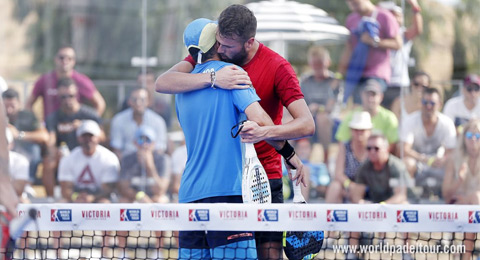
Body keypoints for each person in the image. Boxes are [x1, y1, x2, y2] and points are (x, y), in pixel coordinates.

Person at [156, 5, 314, 259]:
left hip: (194, 194)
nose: (223, 48)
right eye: (219, 42)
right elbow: (260, 121)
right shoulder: (231, 73)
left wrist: (271, 139)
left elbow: (306, 124)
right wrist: (291, 154)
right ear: (214, 42)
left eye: (228, 44)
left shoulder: (182, 87)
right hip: (229, 191)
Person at [44, 78, 104, 197]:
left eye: (70, 96)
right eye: (63, 97)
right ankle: (51, 199)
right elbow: (51, 138)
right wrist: (53, 151)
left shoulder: (89, 114)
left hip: (87, 151)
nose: (67, 100)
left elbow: (102, 136)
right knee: (48, 162)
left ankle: (99, 196)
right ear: (58, 98)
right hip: (66, 154)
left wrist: (84, 127)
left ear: (76, 95)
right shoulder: (53, 117)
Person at [339, 0, 402, 104]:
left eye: (356, 3)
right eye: (350, 3)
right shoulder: (351, 19)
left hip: (376, 73)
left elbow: (398, 44)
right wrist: (340, 74)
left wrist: (374, 41)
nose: (354, 7)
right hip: (357, 73)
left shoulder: (384, 16)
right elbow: (349, 48)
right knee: (357, 109)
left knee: (368, 104)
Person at [401, 87, 456, 197]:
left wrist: (443, 160)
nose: (428, 106)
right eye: (425, 102)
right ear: (421, 103)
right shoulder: (410, 120)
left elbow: (452, 151)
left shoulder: (447, 123)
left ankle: (448, 200)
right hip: (418, 163)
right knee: (407, 163)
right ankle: (407, 198)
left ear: (440, 104)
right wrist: (424, 159)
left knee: (453, 164)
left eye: (432, 103)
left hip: (439, 164)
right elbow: (404, 150)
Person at [27, 45, 105, 118]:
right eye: (61, 58)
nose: (65, 61)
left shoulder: (82, 81)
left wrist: (88, 123)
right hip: (51, 129)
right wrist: (36, 125)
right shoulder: (45, 80)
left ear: (74, 61)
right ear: (55, 59)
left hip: (75, 129)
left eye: (69, 58)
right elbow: (28, 104)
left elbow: (100, 104)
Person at [441, 119, 480, 259]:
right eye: (470, 136)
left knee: (475, 200)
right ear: (464, 138)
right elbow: (446, 194)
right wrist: (459, 180)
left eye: (478, 135)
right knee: (473, 206)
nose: (474, 139)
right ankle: (466, 256)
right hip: (457, 205)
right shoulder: (454, 159)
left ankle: (465, 255)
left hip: (474, 208)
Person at [58, 120, 119, 203]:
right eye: (84, 136)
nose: (87, 140)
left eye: (91, 136)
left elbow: (108, 189)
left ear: (98, 138)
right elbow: (65, 188)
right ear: (79, 138)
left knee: (104, 203)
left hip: (99, 197)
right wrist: (76, 197)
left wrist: (92, 198)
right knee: (61, 204)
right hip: (77, 196)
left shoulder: (109, 158)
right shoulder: (69, 158)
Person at [379, 0, 423, 109]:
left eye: (397, 16)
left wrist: (415, 6)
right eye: (391, 15)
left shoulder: (403, 35)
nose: (394, 19)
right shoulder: (379, 34)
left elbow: (417, 30)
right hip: (382, 84)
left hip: (400, 85)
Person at [300, 46, 340, 163]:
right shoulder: (306, 81)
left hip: (330, 120)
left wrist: (318, 108)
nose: (317, 67)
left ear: (327, 62)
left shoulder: (334, 81)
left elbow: (333, 107)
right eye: (314, 64)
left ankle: (326, 159)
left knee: (321, 118)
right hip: (309, 116)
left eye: (319, 63)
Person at [335, 79, 398, 151]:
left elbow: (392, 144)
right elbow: (342, 141)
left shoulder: (389, 118)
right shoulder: (351, 116)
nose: (370, 98)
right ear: (362, 95)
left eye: (373, 94)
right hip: (356, 159)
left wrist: (374, 155)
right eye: (367, 94)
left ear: (381, 97)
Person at [3, 88, 48, 182]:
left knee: (34, 149)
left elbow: (44, 136)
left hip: (24, 151)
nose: (9, 110)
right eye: (5, 106)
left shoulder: (27, 116)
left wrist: (19, 135)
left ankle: (28, 181)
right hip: (4, 149)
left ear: (19, 103)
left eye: (12, 106)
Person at [325, 111, 371, 203]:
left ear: (369, 131)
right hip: (348, 187)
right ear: (351, 130)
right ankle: (328, 215)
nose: (359, 133)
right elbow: (338, 174)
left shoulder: (373, 148)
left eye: (363, 130)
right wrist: (350, 185)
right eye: (356, 129)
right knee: (335, 187)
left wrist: (360, 188)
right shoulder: (345, 146)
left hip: (370, 188)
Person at [351, 133, 410, 204]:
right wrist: (363, 203)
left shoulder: (396, 166)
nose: (372, 152)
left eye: (376, 148)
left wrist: (382, 206)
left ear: (387, 149)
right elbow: (356, 195)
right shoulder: (364, 167)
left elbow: (401, 196)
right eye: (369, 148)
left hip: (401, 205)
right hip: (377, 206)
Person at [117, 125, 171, 203]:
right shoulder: (127, 159)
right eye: (141, 140)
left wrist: (150, 167)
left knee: (161, 200)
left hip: (154, 197)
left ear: (153, 144)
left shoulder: (163, 160)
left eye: (148, 140)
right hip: (135, 197)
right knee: (123, 201)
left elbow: (160, 190)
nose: (144, 145)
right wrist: (139, 196)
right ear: (135, 143)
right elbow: (123, 188)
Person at [110, 87, 167, 159]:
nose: (138, 103)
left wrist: (148, 161)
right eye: (134, 99)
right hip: (127, 163)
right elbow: (116, 148)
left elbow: (160, 148)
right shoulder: (118, 120)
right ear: (129, 101)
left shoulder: (158, 121)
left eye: (142, 100)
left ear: (148, 102)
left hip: (152, 160)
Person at [5, 128, 30, 199]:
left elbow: (18, 190)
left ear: (11, 144)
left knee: (22, 201)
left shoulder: (20, 160)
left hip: (13, 199)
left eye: (4, 143)